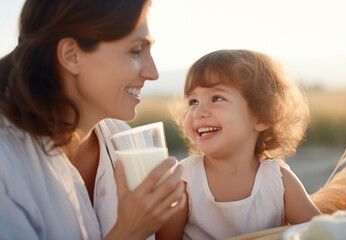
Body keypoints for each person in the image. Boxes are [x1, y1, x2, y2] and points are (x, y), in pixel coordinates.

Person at [0, 0, 185, 239]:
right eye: (136, 50)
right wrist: (129, 232)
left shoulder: (122, 137)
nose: (153, 72)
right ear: (71, 55)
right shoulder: (7, 164)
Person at [156, 49, 321, 240]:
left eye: (217, 98)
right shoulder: (185, 179)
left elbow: (324, 232)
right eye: (193, 101)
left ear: (262, 117)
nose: (198, 112)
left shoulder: (278, 181)